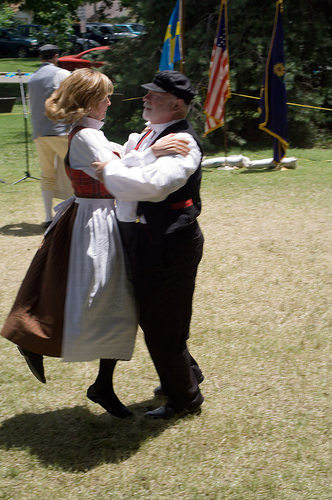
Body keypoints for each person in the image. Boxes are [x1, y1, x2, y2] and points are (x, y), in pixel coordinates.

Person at [1, 68, 189, 419]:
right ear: (88, 100)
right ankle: (45, 348)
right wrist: (154, 152)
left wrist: (146, 150)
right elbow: (123, 175)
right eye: (103, 96)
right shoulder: (86, 137)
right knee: (106, 301)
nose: (108, 101)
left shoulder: (93, 135)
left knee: (110, 302)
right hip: (93, 222)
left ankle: (102, 382)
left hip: (103, 218)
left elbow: (121, 159)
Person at [93, 70, 205, 419]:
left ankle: (185, 399)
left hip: (167, 242)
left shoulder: (182, 143)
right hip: (144, 238)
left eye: (155, 95)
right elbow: (125, 158)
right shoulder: (150, 136)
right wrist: (135, 158)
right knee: (156, 320)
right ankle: (186, 375)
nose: (146, 98)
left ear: (176, 104)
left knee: (162, 327)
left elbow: (150, 187)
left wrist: (109, 173)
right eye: (148, 93)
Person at [28, 44, 73, 228]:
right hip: (59, 130)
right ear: (56, 56)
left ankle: (48, 217)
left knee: (47, 175)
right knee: (73, 172)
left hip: (40, 131)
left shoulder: (32, 78)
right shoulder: (62, 74)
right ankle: (71, 214)